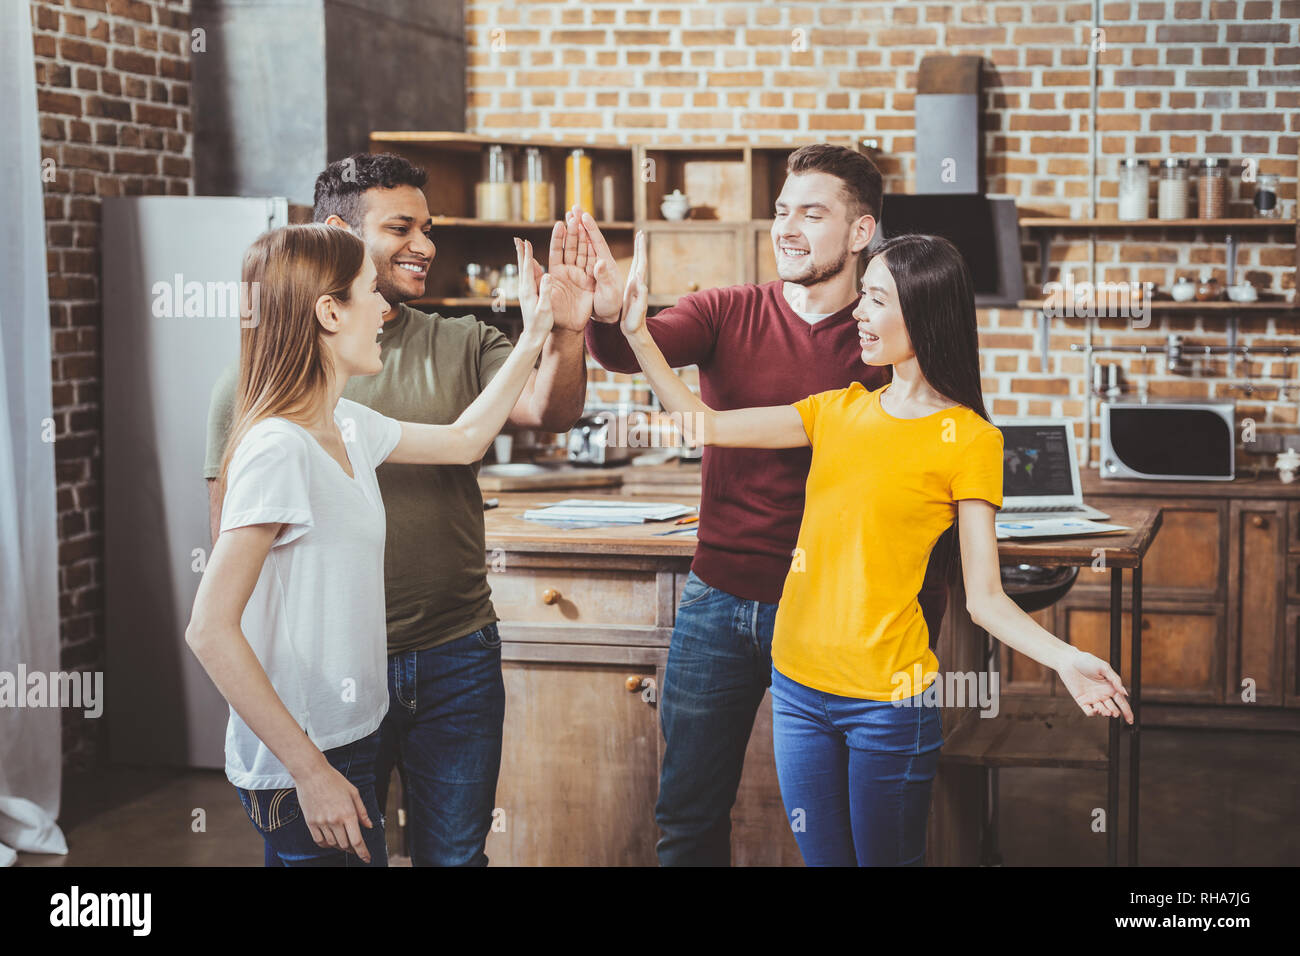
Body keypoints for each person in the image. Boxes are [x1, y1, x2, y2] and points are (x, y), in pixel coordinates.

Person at [610, 228, 1133, 866]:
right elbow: (705, 424)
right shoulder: (837, 410)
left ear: (923, 311)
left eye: (876, 299)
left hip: (888, 701)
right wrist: (638, 332)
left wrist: (1065, 659)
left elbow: (986, 599)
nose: (857, 312)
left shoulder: (971, 440)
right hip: (798, 688)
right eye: (862, 297)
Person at [203, 154, 593, 865]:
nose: (387, 309)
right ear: (330, 307)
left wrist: (545, 330)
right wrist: (309, 771)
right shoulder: (277, 446)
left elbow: (468, 438)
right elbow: (213, 626)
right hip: (311, 736)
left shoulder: (349, 425)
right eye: (366, 295)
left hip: (376, 705)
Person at [581, 144, 951, 865]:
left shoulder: (890, 337)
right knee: (687, 814)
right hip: (719, 601)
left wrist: (920, 612)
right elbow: (637, 350)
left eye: (812, 213)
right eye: (782, 211)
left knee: (847, 827)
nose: (788, 227)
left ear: (860, 231)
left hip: (838, 608)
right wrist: (604, 317)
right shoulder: (726, 309)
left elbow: (925, 480)